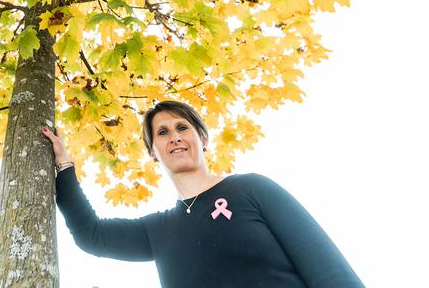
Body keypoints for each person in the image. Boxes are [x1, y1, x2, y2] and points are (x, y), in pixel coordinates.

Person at [41, 100, 364, 287]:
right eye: (163, 133)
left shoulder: (251, 189)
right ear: (153, 152)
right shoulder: (159, 231)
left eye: (183, 128)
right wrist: (64, 165)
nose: (175, 137)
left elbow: (328, 270)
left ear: (203, 139)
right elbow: (91, 234)